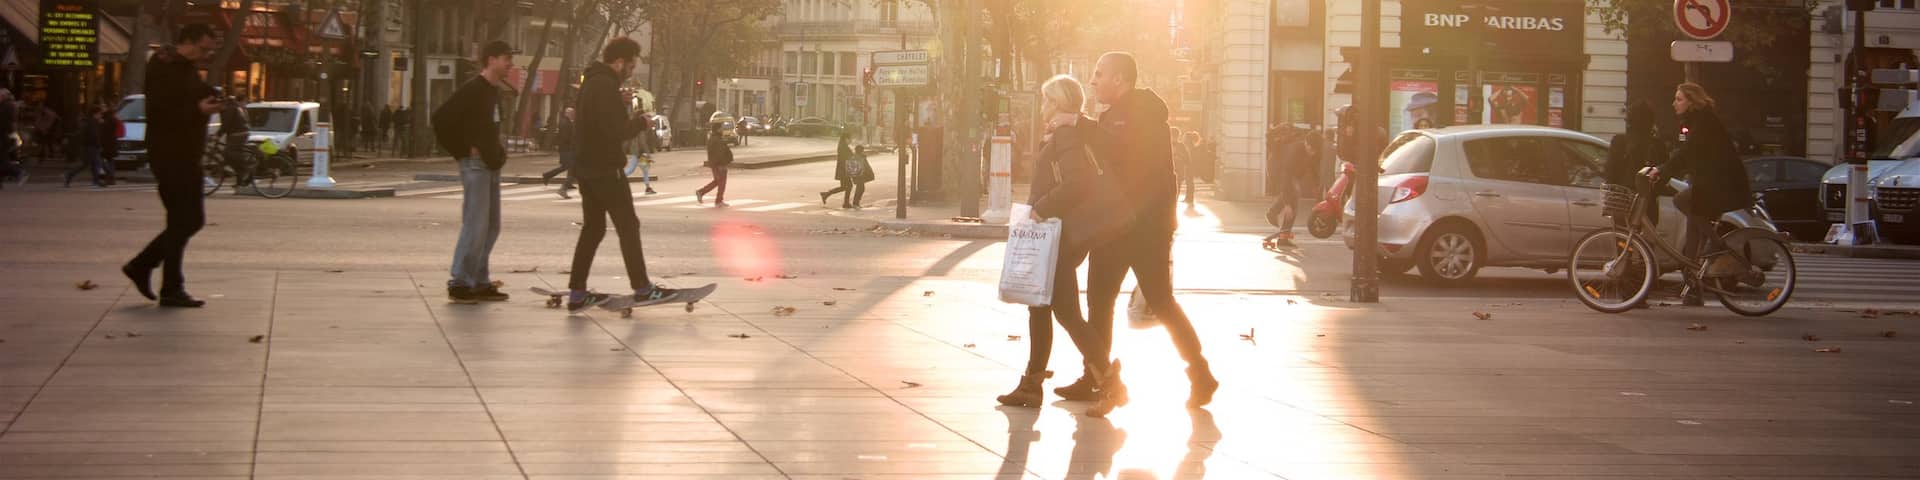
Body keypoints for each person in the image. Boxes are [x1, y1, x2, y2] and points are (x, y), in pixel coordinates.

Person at [1073, 51, 1218, 417]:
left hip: (1130, 228)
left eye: (1099, 73)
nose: (1093, 81)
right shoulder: (1131, 115)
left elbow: (1117, 157)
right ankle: (1198, 374)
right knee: (1150, 303)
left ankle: (1099, 378)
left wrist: (1078, 125)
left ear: (1119, 80)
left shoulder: (1130, 117)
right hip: (1142, 228)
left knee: (1106, 303)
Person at [997, 74, 1112, 408]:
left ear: (1059, 103)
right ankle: (1032, 385)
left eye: (1047, 100)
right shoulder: (1064, 133)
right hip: (1054, 235)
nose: (1043, 106)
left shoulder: (1065, 135)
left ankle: (1108, 379)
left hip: (1055, 236)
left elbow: (1079, 183)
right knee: (1041, 308)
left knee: (1066, 314)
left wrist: (1040, 209)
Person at [558, 37, 696, 311]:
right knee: (628, 226)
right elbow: (615, 130)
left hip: (586, 168)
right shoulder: (605, 85)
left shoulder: (591, 82)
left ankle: (577, 293)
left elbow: (596, 121)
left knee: (593, 229)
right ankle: (643, 288)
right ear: (619, 61)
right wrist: (640, 123)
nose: (631, 72)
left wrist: (617, 102)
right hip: (606, 168)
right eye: (630, 66)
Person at [122, 24, 225, 308]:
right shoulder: (165, 67)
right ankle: (147, 269)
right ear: (187, 42)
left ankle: (164, 282)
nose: (206, 54)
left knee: (181, 220)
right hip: (171, 153)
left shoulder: (185, 68)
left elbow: (193, 96)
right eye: (203, 48)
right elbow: (162, 110)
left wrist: (212, 98)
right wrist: (199, 109)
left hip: (185, 152)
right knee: (188, 219)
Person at [1647, 82, 1751, 306]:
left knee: (1681, 200)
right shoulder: (1694, 121)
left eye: (1679, 99)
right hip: (1709, 182)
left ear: (1692, 101)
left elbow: (1687, 153)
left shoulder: (1704, 121)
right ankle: (1693, 289)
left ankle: (1719, 243)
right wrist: (1663, 174)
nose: (1674, 103)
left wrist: (1662, 171)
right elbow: (1685, 155)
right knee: (1693, 232)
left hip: (1723, 183)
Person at [431, 40, 516, 303]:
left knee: (491, 226)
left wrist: (496, 151)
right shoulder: (474, 89)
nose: (510, 64)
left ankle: (478, 279)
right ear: (491, 60)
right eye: (506, 58)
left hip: (489, 164)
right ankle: (460, 280)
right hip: (476, 165)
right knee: (476, 224)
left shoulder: (493, 91)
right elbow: (440, 119)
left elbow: (490, 127)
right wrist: (463, 150)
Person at [1606, 101, 1666, 229]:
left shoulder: (1619, 141)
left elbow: (1610, 170)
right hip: (1647, 203)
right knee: (1645, 242)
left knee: (1623, 241)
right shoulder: (1657, 145)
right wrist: (1655, 191)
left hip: (1622, 201)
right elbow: (1664, 173)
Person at [1265, 125, 1323, 248]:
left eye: (1314, 151)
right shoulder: (1295, 150)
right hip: (1278, 169)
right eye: (1310, 149)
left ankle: (1273, 213)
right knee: (1293, 200)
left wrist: (1317, 185)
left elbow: (1314, 168)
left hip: (1293, 173)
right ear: (1306, 143)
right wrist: (1286, 204)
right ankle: (1283, 239)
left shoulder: (1316, 150)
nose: (1312, 153)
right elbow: (1286, 176)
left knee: (1292, 194)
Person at [821, 130, 868, 208]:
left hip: (843, 170)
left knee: (846, 186)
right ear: (846, 139)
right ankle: (834, 198)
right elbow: (848, 158)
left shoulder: (843, 146)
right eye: (850, 139)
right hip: (843, 170)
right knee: (847, 186)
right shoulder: (843, 147)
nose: (851, 140)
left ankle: (829, 195)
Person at [62, 105, 104, 188]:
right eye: (100, 113)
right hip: (91, 146)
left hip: (88, 146)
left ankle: (96, 181)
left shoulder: (89, 121)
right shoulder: (92, 122)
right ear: (95, 114)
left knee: (92, 164)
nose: (101, 115)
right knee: (92, 164)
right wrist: (98, 145)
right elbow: (94, 135)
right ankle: (69, 175)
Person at [541, 107, 578, 199]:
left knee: (568, 166)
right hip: (566, 149)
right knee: (571, 166)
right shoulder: (565, 123)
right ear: (567, 113)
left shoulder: (566, 122)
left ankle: (550, 177)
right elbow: (566, 137)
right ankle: (551, 178)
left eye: (574, 113)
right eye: (572, 113)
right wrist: (572, 144)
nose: (574, 114)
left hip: (566, 148)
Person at [217, 93, 252, 188]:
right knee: (232, 154)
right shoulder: (232, 106)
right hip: (237, 132)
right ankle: (240, 180)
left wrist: (218, 134)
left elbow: (226, 124)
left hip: (239, 133)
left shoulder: (229, 108)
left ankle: (246, 169)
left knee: (229, 152)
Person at [697, 128, 732, 207]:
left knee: (717, 181)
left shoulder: (713, 139)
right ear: (718, 130)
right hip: (720, 164)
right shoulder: (717, 140)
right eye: (721, 128)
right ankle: (718, 200)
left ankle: (701, 192)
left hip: (716, 164)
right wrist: (722, 163)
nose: (722, 130)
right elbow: (721, 153)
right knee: (722, 183)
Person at [100, 101, 125, 186]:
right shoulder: (113, 120)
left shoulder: (107, 120)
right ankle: (111, 178)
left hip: (107, 144)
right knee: (110, 161)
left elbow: (104, 132)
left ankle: (110, 177)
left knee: (102, 161)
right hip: (111, 143)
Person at [1170, 126, 1193, 207]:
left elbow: (1187, 160)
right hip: (1168, 171)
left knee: (1177, 188)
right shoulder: (1165, 145)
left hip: (1179, 171)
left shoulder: (1181, 146)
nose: (1174, 138)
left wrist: (1180, 157)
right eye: (1173, 135)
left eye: (1175, 136)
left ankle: (1174, 204)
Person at [0, 89, 18, 187]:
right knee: (3, 158)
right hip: (7, 134)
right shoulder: (10, 105)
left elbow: (5, 122)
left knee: (3, 158)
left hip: (4, 135)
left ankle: (17, 173)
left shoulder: (7, 106)